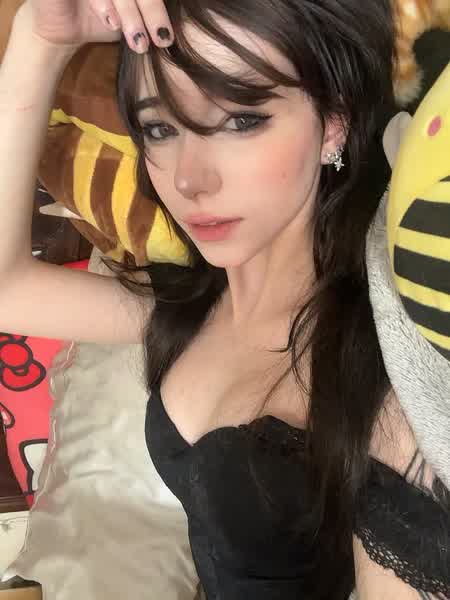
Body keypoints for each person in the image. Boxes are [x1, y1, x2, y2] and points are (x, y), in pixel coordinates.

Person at [0, 0, 448, 598]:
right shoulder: (195, 306)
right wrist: (40, 38)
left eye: (241, 120)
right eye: (160, 129)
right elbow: (7, 289)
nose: (190, 179)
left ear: (334, 123)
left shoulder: (375, 367)